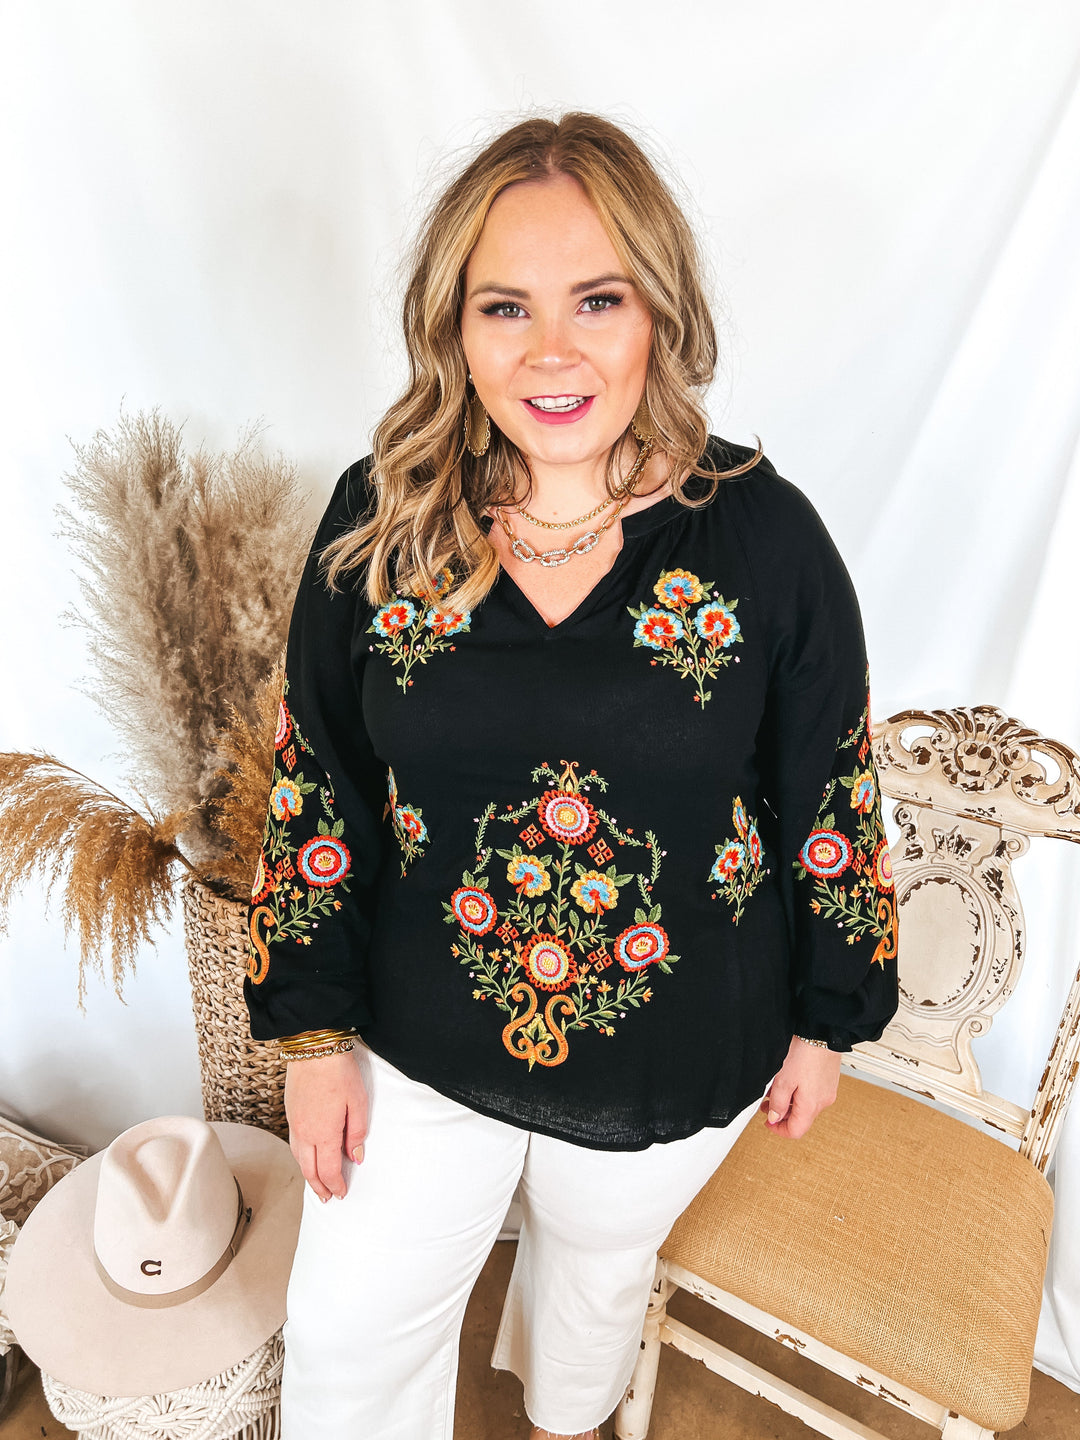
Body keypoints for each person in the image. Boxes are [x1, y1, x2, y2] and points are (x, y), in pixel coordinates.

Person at [243, 111, 899, 1440]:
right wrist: (312, 1036)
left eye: (597, 300)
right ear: (455, 328)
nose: (552, 352)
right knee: (350, 1337)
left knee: (593, 1295)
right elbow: (319, 777)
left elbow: (830, 794)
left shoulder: (764, 538)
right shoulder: (383, 518)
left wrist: (826, 1024)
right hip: (417, 1041)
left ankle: (564, 1419)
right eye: (507, 307)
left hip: (676, 1048)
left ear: (659, 309)